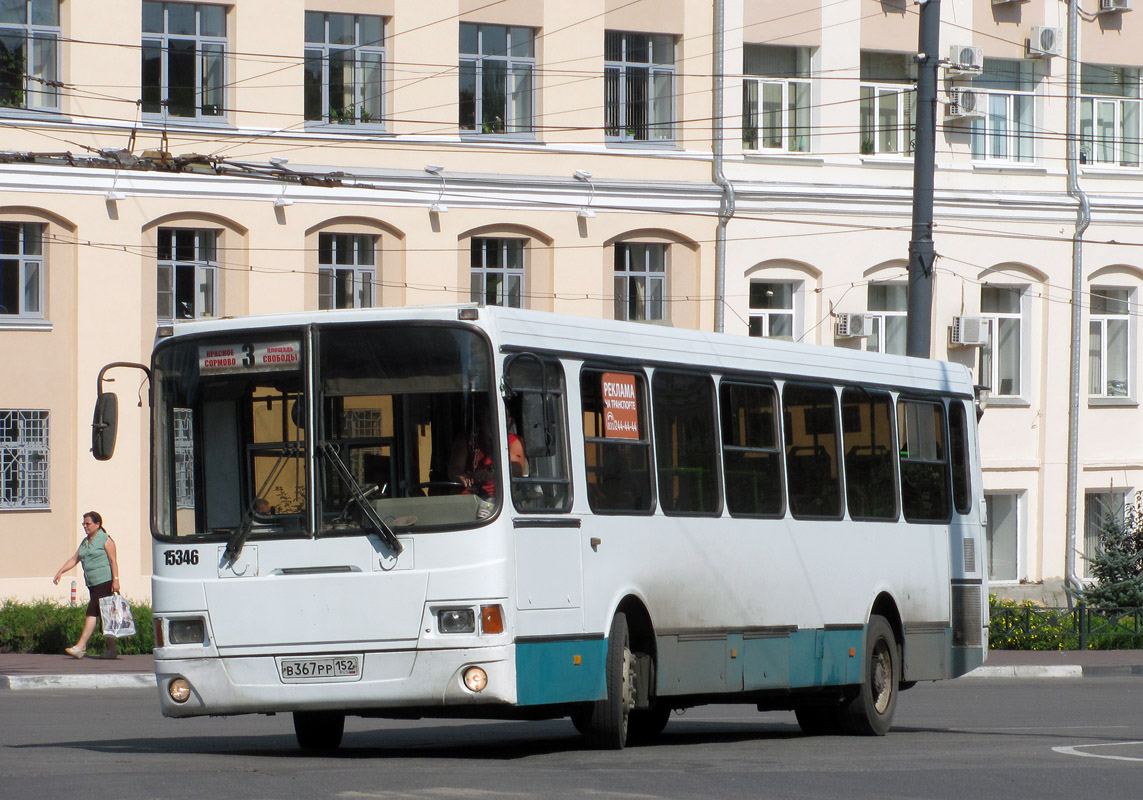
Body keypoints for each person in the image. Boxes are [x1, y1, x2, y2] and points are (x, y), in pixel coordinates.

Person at [53, 511, 121, 659]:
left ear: (97, 524)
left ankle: (81, 646)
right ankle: (111, 649)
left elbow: (113, 561)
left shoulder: (106, 540)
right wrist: (61, 571)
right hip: (92, 583)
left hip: (104, 581)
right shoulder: (85, 541)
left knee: (92, 612)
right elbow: (75, 558)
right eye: (84, 523)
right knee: (105, 616)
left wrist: (116, 579)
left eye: (88, 523)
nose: (85, 526)